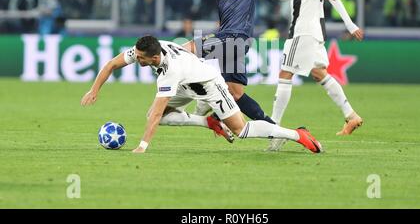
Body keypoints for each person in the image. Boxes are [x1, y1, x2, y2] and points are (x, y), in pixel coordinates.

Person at [154, 0, 338, 130]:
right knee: (235, 94)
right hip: (228, 40)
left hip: (237, 38)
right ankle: (277, 130)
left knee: (185, 50)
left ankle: (196, 97)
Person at [80, 36, 323, 154]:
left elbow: (155, 112)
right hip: (188, 85)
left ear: (154, 58)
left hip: (209, 85)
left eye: (141, 59)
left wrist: (142, 146)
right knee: (161, 116)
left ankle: (296, 135)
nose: (137, 59)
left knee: (241, 131)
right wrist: (94, 89)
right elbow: (112, 64)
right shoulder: (147, 48)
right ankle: (208, 121)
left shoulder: (168, 71)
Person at [258, 0, 364, 151]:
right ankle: (351, 115)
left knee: (285, 75)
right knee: (319, 74)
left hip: (303, 32)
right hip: (309, 32)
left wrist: (350, 25)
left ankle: (274, 131)